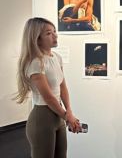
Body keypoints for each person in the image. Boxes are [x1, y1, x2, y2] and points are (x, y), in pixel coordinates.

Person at [14, 17, 81, 158]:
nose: (55, 35)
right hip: (42, 118)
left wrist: (69, 111)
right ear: (37, 39)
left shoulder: (57, 57)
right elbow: (49, 97)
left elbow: (63, 87)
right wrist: (67, 117)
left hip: (59, 116)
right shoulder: (35, 63)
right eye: (49, 33)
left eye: (55, 31)